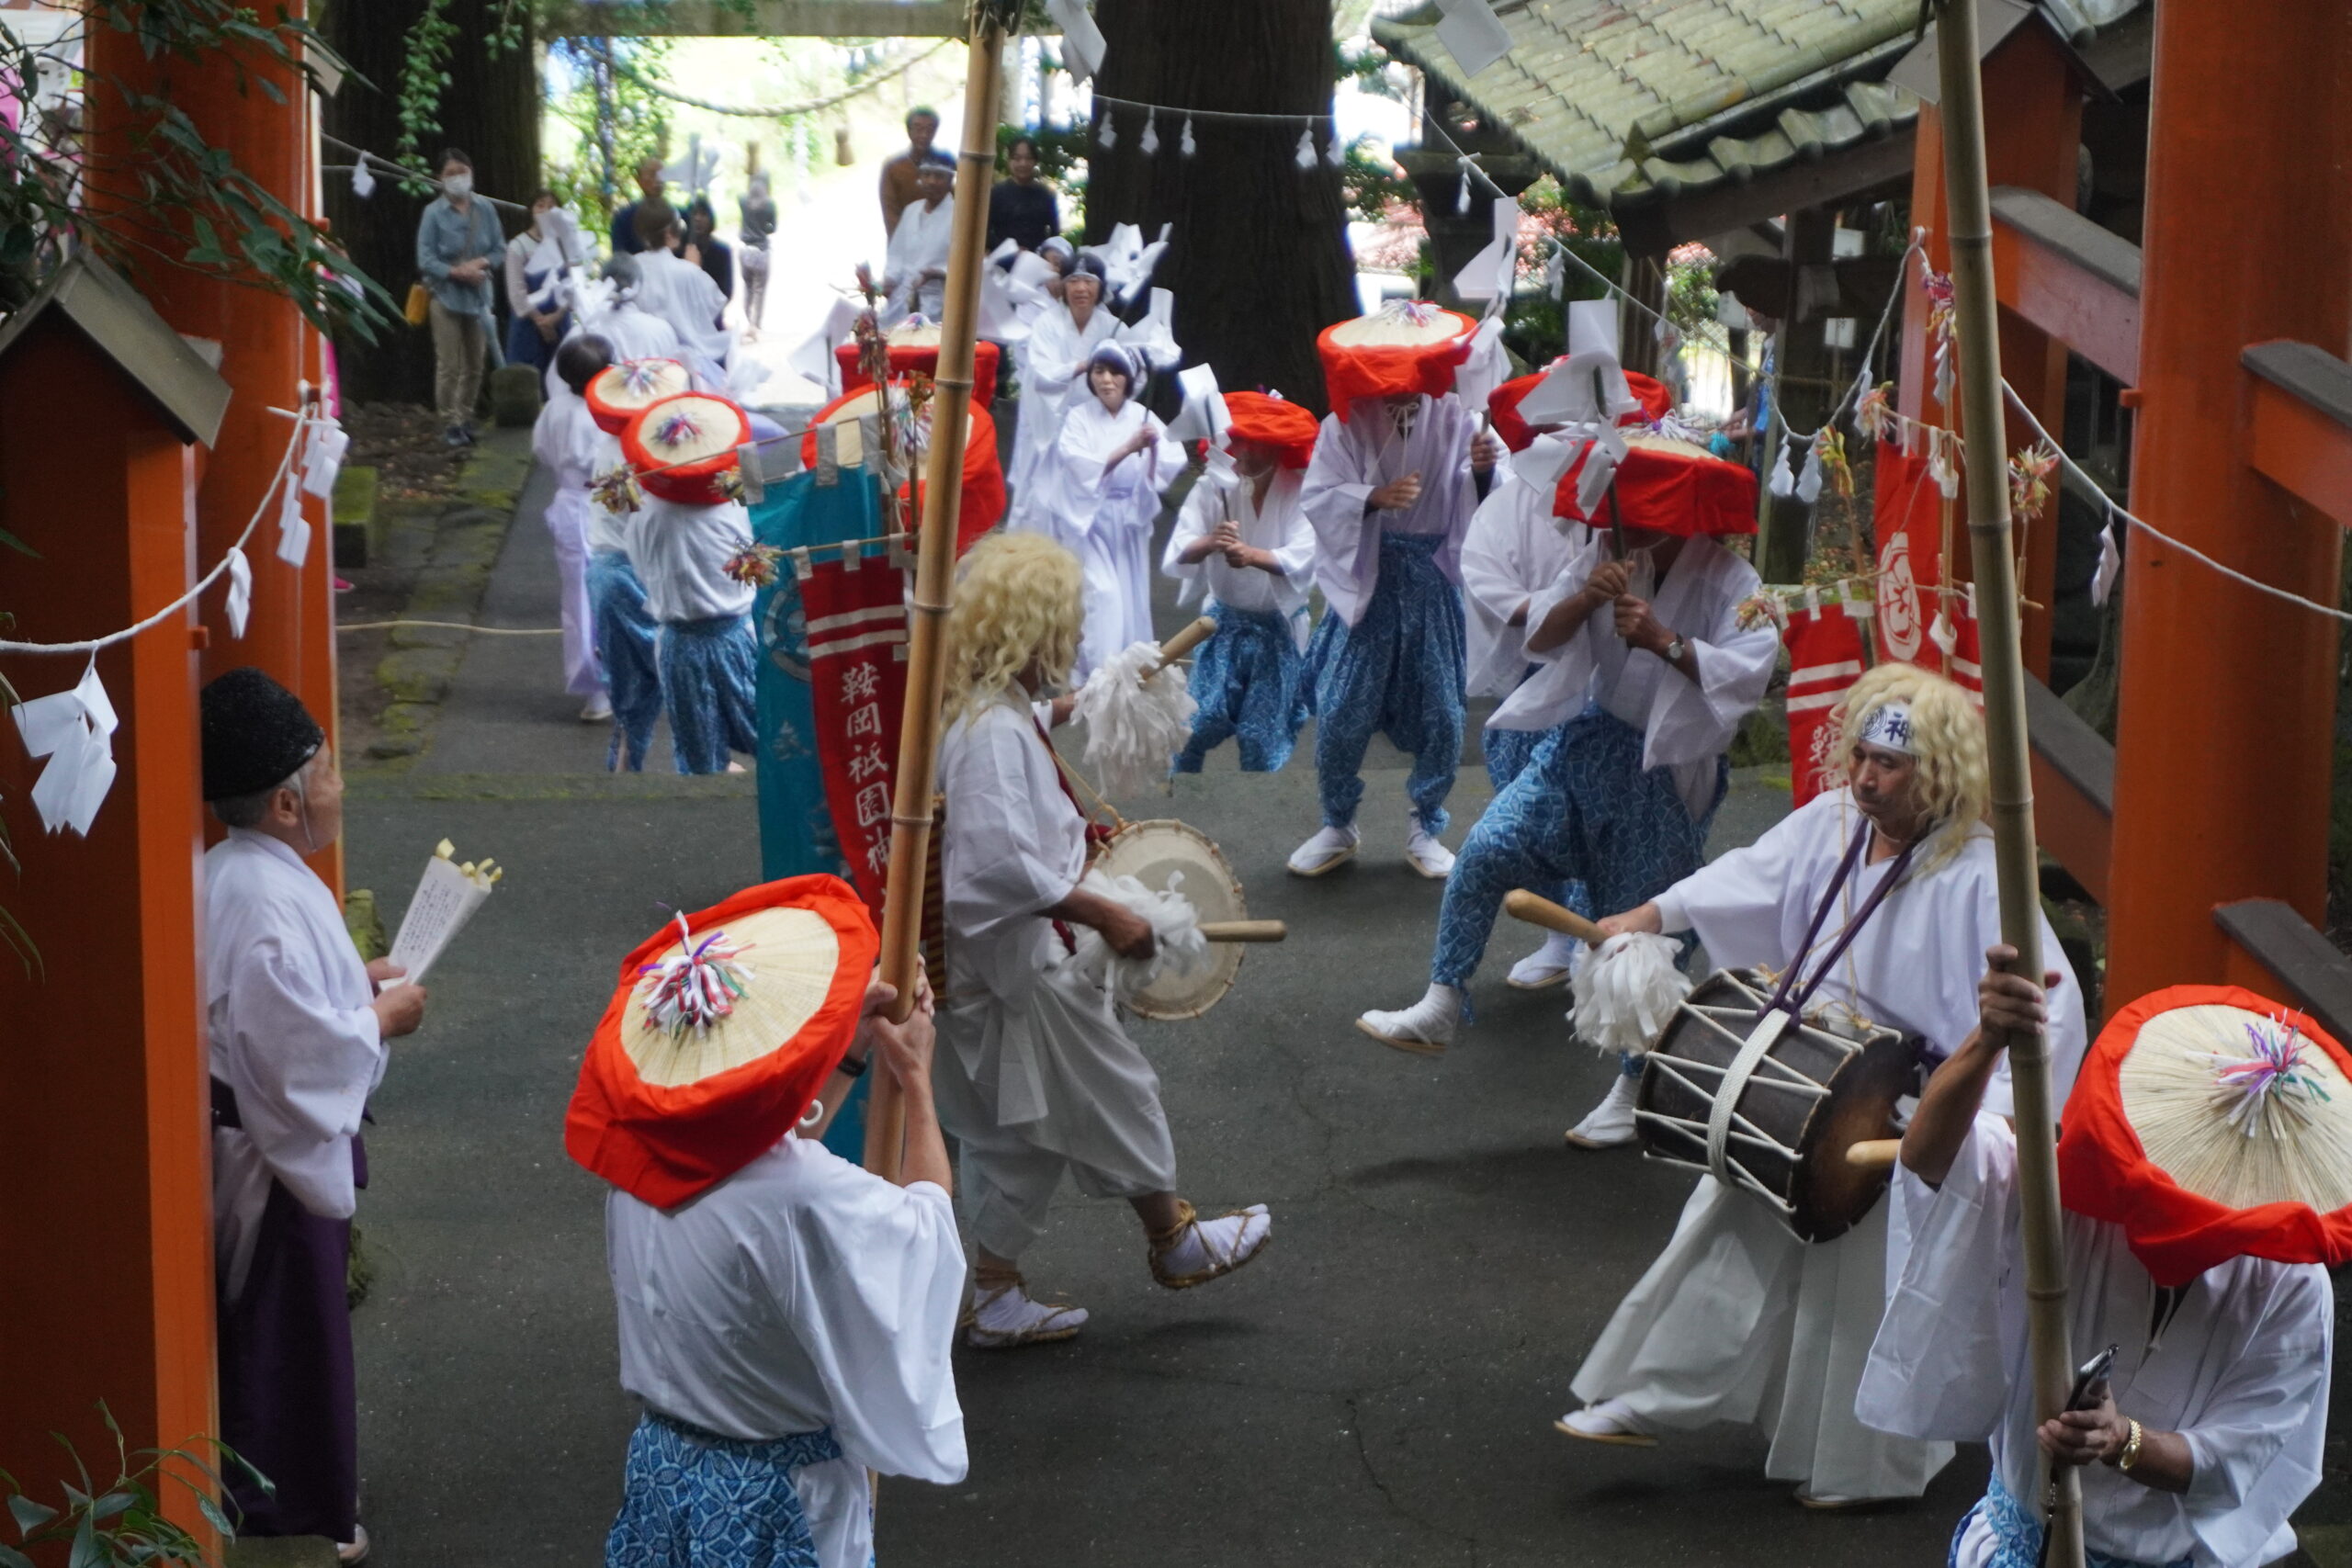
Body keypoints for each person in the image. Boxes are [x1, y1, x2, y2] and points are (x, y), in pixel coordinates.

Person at [1552, 665, 2091, 1510]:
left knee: (1861, 1291)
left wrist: (1981, 1134)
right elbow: (1745, 875)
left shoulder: (1980, 874)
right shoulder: (1834, 821)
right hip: (1807, 1077)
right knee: (1726, 1216)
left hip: (1908, 1109)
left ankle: (1871, 1467)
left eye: (1891, 764)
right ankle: (1649, 1393)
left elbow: (2048, 1015)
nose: (1867, 777)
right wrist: (1646, 917)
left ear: (1940, 771)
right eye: (1864, 755)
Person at [1860, 976, 2341, 1568]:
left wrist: (2122, 1440)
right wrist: (1986, 1042)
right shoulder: (2068, 1195)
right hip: (2028, 1540)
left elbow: (2240, 1454)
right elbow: (1935, 1162)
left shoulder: (2293, 1285)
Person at [933, 532, 1273, 1348]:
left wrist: (1107, 688)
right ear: (1027, 626)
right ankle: (1173, 1238)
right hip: (1025, 968)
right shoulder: (989, 734)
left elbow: (1038, 730)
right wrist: (1107, 913)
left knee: (1024, 1138)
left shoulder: (995, 710)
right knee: (1118, 1093)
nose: (1072, 637)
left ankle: (995, 1292)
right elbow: (994, 866)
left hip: (1012, 967)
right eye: (1064, 622)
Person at [568, 878, 967, 1568]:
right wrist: (918, 1081)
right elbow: (924, 1230)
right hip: (780, 1493)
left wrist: (856, 1050)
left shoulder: (635, 1158)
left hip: (665, 1465)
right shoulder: (800, 1193)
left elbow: (766, 1150)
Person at [1356, 454, 1778, 1051]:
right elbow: (1540, 637)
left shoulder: (1735, 584)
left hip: (1663, 769)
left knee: (1638, 937)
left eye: (1640, 515)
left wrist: (1666, 642)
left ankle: (1637, 1087)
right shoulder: (1605, 552)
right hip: (1584, 740)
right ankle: (1441, 1001)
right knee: (1486, 849)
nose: (1620, 529)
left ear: (1682, 516)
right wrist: (1583, 599)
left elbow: (1748, 674)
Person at [200, 668, 429, 1566]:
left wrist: (355, 988)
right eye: (329, 771)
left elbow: (288, 1011)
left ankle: (299, 1490)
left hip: (253, 1125)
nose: (340, 784)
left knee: (286, 1329)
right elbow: (293, 1055)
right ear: (289, 803)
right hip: (264, 1148)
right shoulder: (262, 899)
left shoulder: (238, 871)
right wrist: (376, 1020)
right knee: (287, 1335)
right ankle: (294, 1503)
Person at [1290, 380, 1500, 881]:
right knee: (1342, 709)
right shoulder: (1348, 419)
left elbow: (1492, 496)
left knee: (1444, 716)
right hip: (1370, 579)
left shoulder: (1460, 416)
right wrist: (1371, 497)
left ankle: (1426, 827)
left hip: (1431, 581)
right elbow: (1317, 493)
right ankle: (1337, 822)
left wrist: (1485, 469)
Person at [1455, 373, 1592, 987]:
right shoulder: (1501, 510)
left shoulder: (1603, 491)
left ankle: (1596, 936)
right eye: (1542, 433)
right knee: (1525, 820)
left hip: (1598, 685)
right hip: (1530, 680)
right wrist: (1563, 605)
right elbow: (1496, 594)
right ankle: (1560, 934)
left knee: (1595, 814)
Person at [1162, 390, 1320, 773]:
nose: (1246, 453)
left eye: (1258, 443)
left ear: (1279, 446)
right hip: (1223, 624)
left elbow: (1306, 553)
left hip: (1277, 628)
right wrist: (1209, 543)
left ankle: (1261, 810)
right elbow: (1181, 548)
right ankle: (1180, 799)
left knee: (1260, 739)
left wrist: (1252, 555)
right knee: (1197, 723)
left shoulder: (1300, 491)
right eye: (1240, 441)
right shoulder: (1212, 486)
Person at [623, 392, 760, 774]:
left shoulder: (644, 513)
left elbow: (639, 567)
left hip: (678, 640)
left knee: (697, 747)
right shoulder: (732, 509)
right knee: (767, 729)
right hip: (736, 634)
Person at [1030, 342, 1183, 680]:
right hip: (1092, 520)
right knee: (1104, 596)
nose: (1106, 380)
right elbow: (1077, 463)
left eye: (1115, 372)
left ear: (1129, 379)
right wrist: (1129, 447)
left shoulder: (1143, 418)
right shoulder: (1078, 417)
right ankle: (1098, 674)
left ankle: (1130, 668)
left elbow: (1172, 462)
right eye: (1099, 371)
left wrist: (1153, 449)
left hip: (1128, 518)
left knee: (1130, 599)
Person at [533, 333, 617, 724]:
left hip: (570, 502)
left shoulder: (555, 407)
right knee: (611, 595)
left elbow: (541, 450)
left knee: (578, 601)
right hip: (602, 505)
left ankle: (595, 691)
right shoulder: (603, 413)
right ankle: (614, 681)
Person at [1006, 254, 1115, 513]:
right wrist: (1082, 367)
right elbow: (1043, 371)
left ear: (1100, 287)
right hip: (1049, 420)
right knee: (1040, 493)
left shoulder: (1112, 327)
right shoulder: (1047, 323)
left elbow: (1132, 374)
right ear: (1062, 286)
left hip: (1093, 421)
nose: (1080, 288)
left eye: (1089, 281)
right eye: (1073, 280)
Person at [414, 146, 504, 447]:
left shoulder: (485, 209)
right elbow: (425, 259)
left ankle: (466, 416)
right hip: (445, 295)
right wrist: (455, 272)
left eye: (461, 172)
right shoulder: (433, 213)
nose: (457, 178)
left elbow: (498, 249)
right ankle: (449, 421)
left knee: (475, 362)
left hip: (478, 295)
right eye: (450, 173)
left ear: (471, 173)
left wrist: (479, 264)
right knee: (449, 363)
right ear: (439, 178)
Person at [629, 201, 734, 383]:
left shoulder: (630, 268)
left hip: (642, 360)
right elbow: (715, 303)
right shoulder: (686, 270)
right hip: (687, 363)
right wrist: (695, 269)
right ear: (671, 233)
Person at [871, 154, 955, 321]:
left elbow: (966, 265)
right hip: (902, 298)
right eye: (926, 175)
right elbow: (896, 255)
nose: (931, 181)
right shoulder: (912, 210)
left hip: (938, 300)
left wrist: (939, 273)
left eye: (938, 176)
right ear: (920, 179)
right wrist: (888, 281)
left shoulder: (959, 216)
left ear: (950, 180)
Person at [502, 189, 569, 376]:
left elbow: (573, 285)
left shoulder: (566, 245)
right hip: (528, 327)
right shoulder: (518, 246)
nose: (545, 211)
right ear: (531, 210)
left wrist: (557, 316)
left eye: (551, 206)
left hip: (560, 323)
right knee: (526, 382)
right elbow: (517, 292)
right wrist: (541, 321)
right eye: (540, 205)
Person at [988, 135, 1060, 254]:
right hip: (1002, 258)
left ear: (1035, 161)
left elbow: (1055, 234)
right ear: (1009, 161)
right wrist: (1010, 249)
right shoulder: (997, 193)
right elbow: (985, 233)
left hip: (1036, 259)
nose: (1023, 163)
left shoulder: (1045, 195)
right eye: (1017, 158)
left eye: (1028, 158)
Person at [878, 107, 942, 238]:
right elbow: (890, 214)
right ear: (909, 131)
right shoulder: (893, 167)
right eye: (918, 129)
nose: (924, 135)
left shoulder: (944, 163)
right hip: (905, 242)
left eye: (929, 129)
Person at [739, 173, 777, 330]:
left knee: (747, 287)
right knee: (759, 290)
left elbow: (741, 194)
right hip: (761, 251)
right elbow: (772, 228)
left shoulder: (743, 201)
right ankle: (756, 323)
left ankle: (747, 318)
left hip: (745, 250)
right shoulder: (769, 205)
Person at [610, 154, 666, 256]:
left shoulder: (677, 215)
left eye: (662, 174)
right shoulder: (624, 217)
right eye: (652, 174)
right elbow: (620, 258)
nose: (658, 180)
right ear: (639, 180)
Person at [684, 195, 734, 305]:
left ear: (711, 218)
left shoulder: (722, 252)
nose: (697, 219)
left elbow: (726, 292)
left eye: (703, 214)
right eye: (694, 214)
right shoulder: (680, 249)